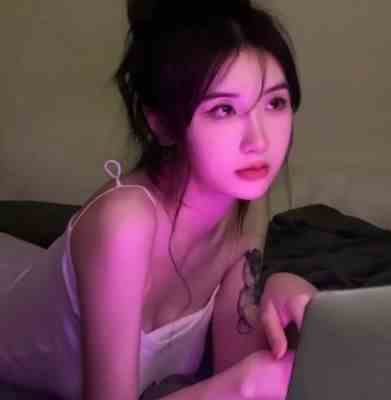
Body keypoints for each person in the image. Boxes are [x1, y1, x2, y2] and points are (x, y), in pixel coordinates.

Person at [0, 0, 318, 399]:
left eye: (274, 103)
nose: (259, 140)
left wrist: (282, 291)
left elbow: (234, 358)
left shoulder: (247, 207)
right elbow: (237, 383)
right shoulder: (125, 222)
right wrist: (242, 386)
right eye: (223, 109)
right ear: (163, 123)